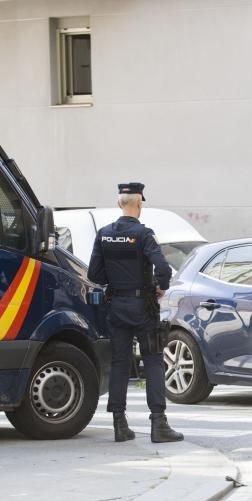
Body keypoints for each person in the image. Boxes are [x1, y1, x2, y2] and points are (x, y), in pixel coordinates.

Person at [87, 182, 184, 443]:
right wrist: (160, 288)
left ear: (120, 203)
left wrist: (117, 282)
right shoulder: (144, 234)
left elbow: (93, 274)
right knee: (152, 360)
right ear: (139, 203)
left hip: (116, 307)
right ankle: (158, 425)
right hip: (143, 307)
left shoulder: (104, 234)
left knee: (120, 363)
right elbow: (163, 268)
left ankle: (120, 424)